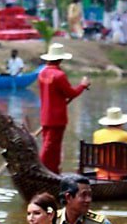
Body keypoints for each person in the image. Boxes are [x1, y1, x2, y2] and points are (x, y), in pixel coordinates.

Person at [38, 43, 90, 174]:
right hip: (57, 117)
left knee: (49, 144)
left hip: (45, 115)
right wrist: (82, 85)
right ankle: (41, 168)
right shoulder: (59, 75)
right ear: (60, 59)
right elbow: (71, 93)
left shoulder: (42, 73)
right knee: (52, 146)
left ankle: (52, 170)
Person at [92, 107, 127, 180]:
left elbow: (96, 151)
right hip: (121, 170)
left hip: (101, 169)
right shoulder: (126, 135)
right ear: (122, 122)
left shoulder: (97, 134)